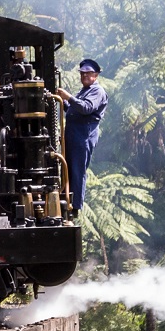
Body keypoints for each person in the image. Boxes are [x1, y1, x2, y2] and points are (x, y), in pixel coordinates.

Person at [55, 57, 108, 214]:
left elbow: (86, 108)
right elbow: (73, 109)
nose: (84, 76)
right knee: (68, 169)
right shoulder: (85, 91)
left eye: (88, 73)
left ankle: (75, 206)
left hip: (83, 135)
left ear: (96, 75)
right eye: (82, 73)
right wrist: (60, 100)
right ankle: (66, 199)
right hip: (73, 135)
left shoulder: (97, 91)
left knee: (77, 170)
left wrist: (68, 97)